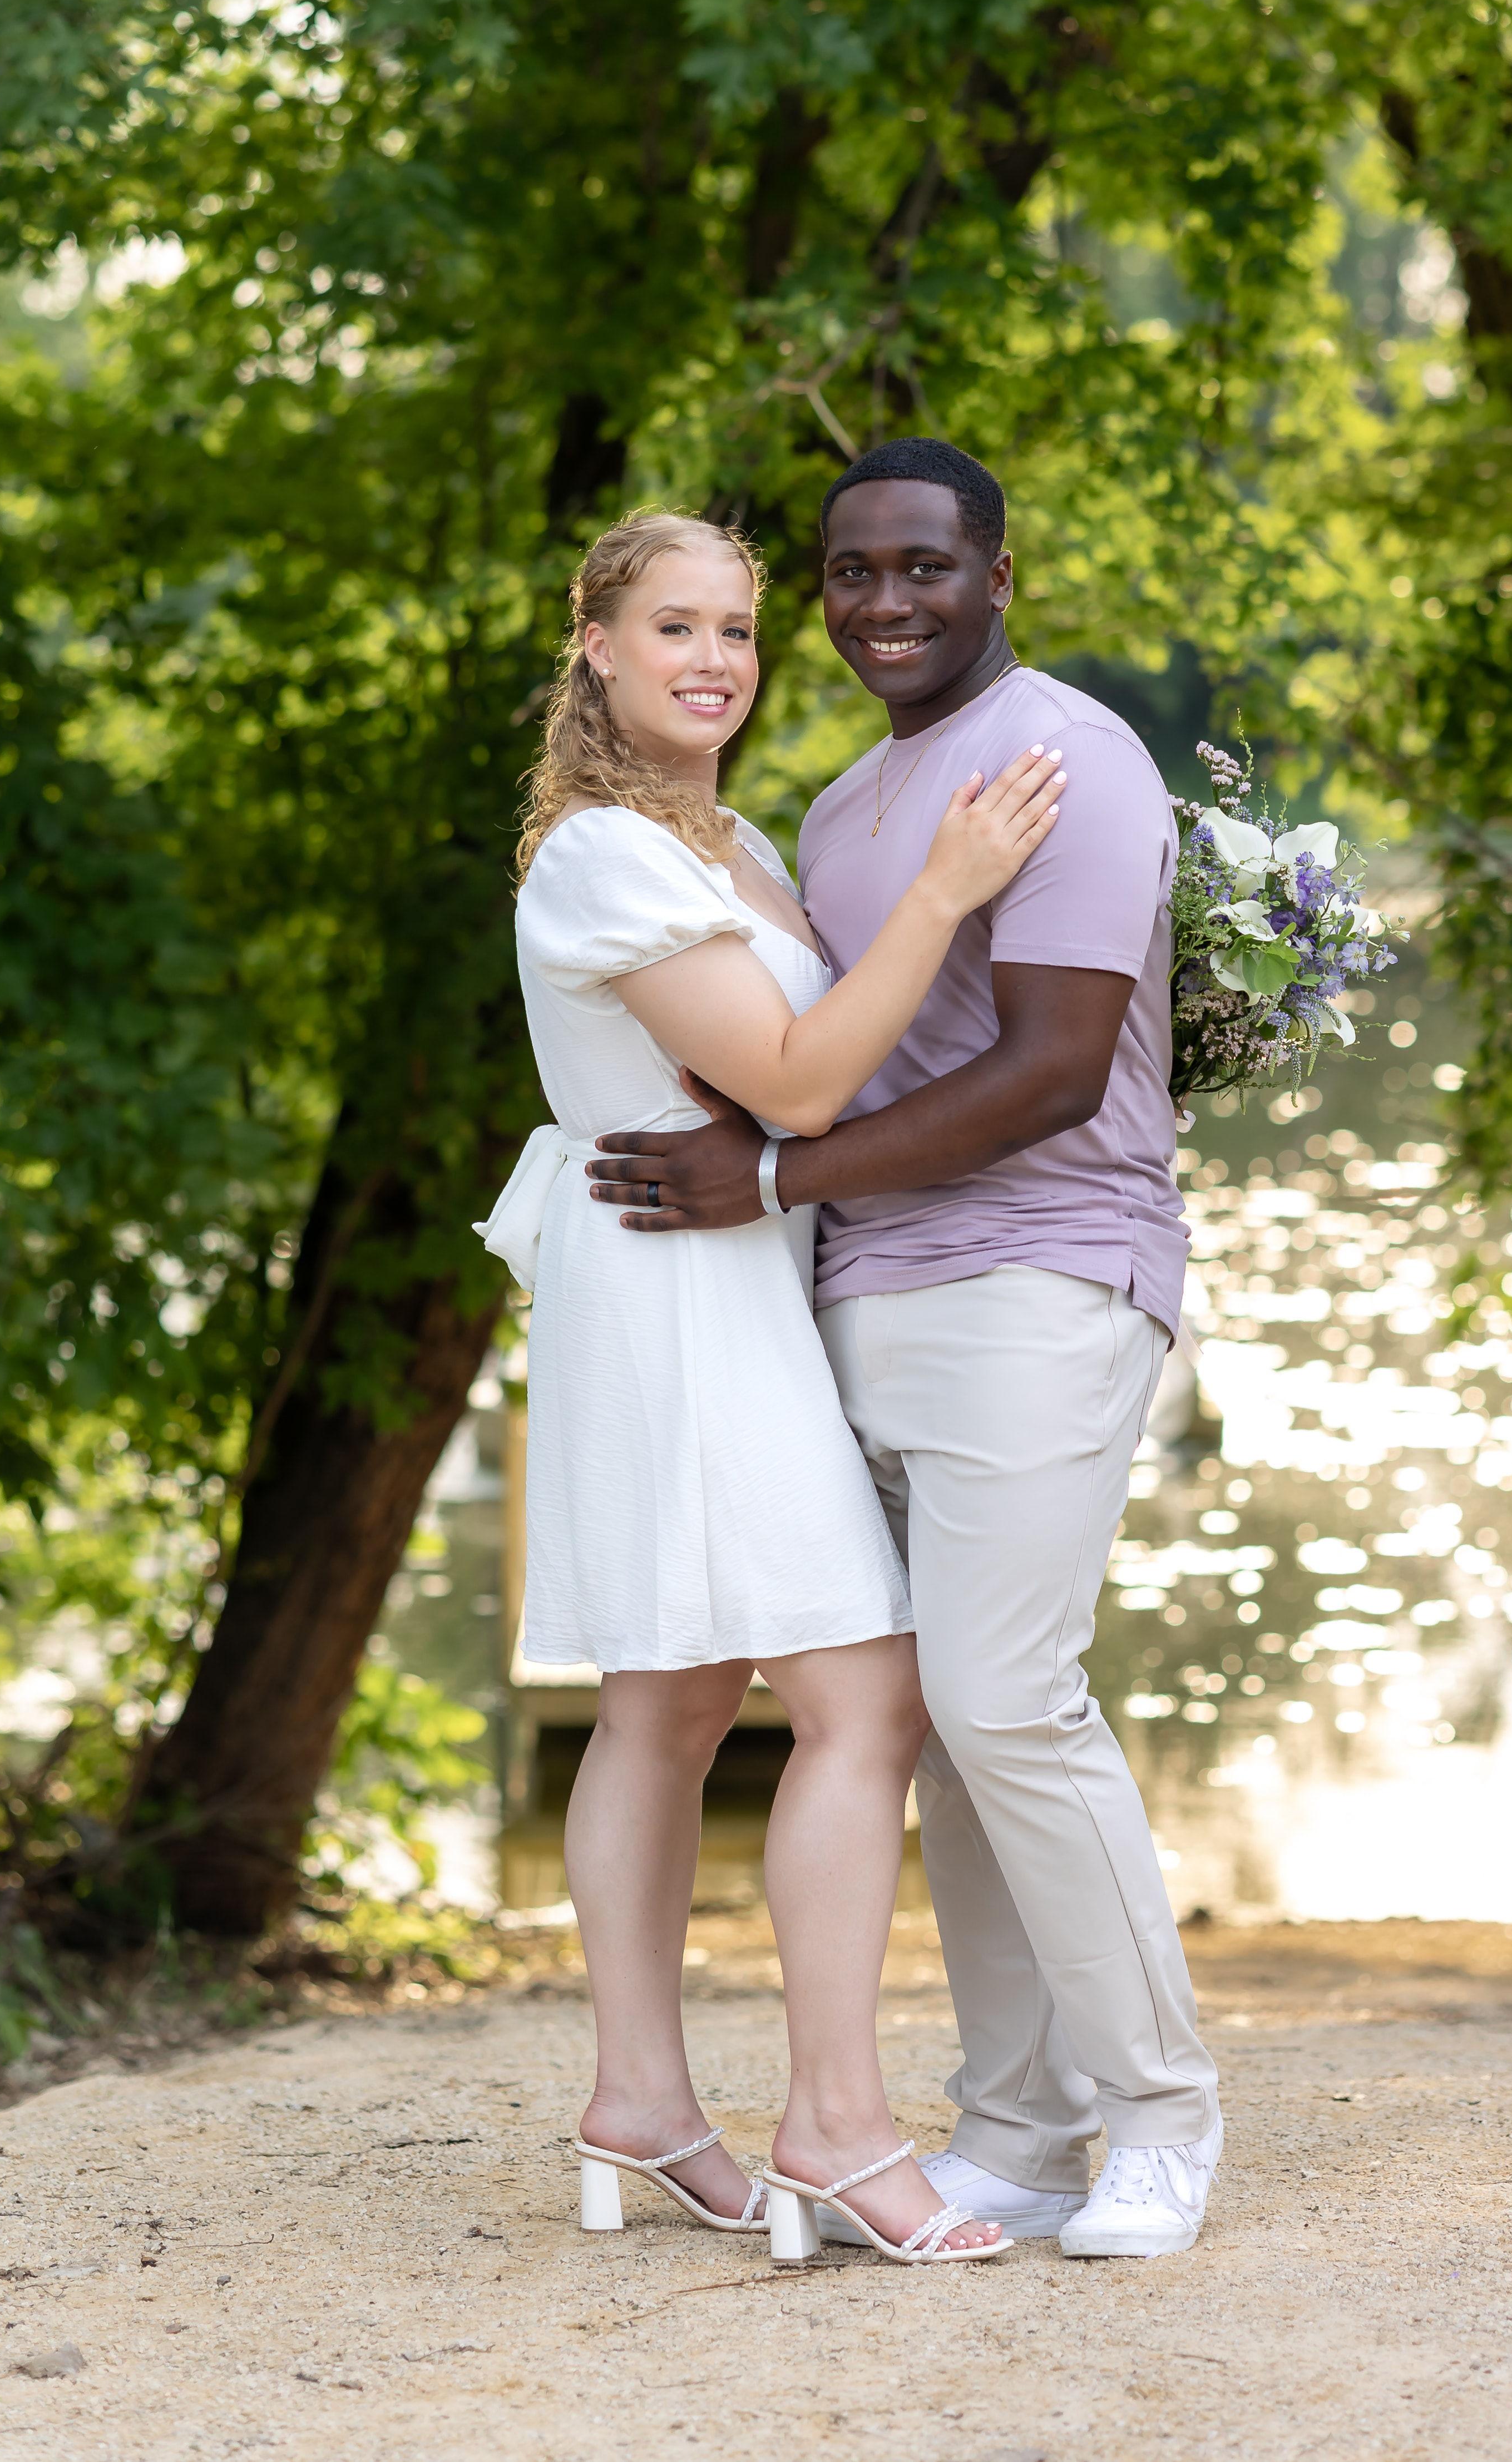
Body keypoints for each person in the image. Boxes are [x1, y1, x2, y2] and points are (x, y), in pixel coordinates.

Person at [584, 439, 1227, 2261]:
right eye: (851, 572)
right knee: (944, 1725)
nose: (885, 601)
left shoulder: (1063, 758)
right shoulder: (848, 805)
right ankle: (1015, 2127)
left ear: (995, 576)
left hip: (1042, 1270)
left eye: (924, 566)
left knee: (1012, 1696)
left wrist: (775, 1174)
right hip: (859, 1290)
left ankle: (1158, 2114)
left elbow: (1050, 1071)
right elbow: (817, 1049)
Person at [480, 506, 1068, 2267]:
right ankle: (837, 2124)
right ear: (596, 644)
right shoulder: (603, 856)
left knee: (670, 1700)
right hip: (676, 1290)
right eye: (674, 626)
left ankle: (642, 2102)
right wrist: (948, 888)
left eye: (735, 627)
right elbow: (804, 1083)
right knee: (864, 1693)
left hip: (737, 1276)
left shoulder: (724, 837)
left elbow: (807, 1072)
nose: (714, 659)